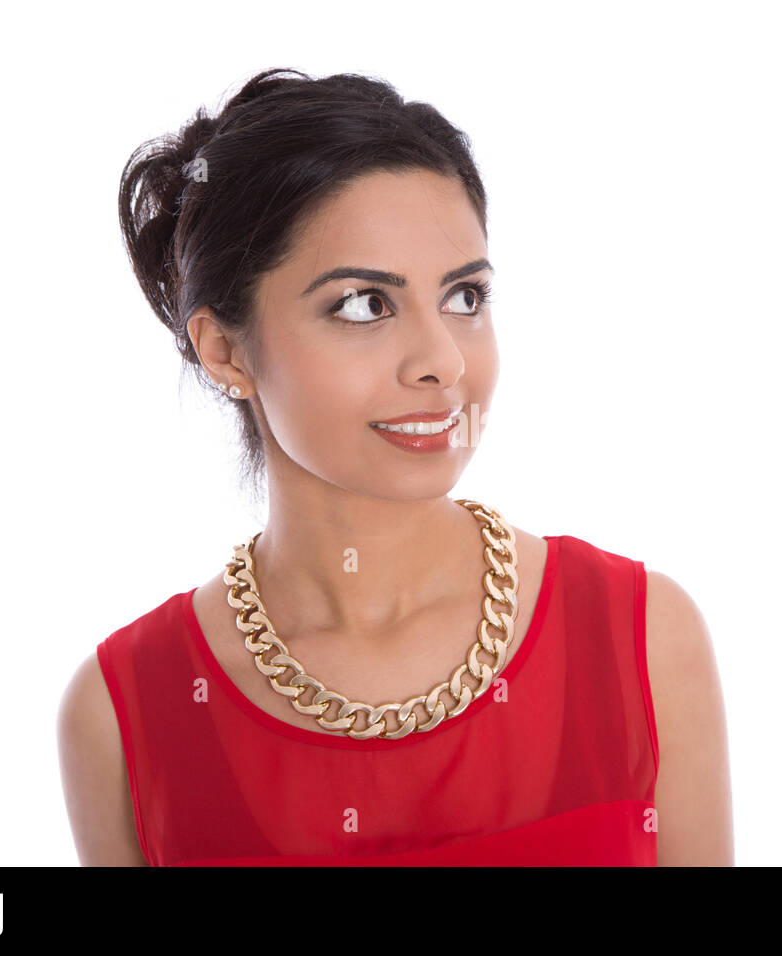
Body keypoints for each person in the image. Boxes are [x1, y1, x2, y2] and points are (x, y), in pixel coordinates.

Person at [56, 67, 732, 866]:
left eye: (465, 298)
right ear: (225, 350)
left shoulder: (643, 641)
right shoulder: (125, 715)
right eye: (364, 305)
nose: (442, 361)